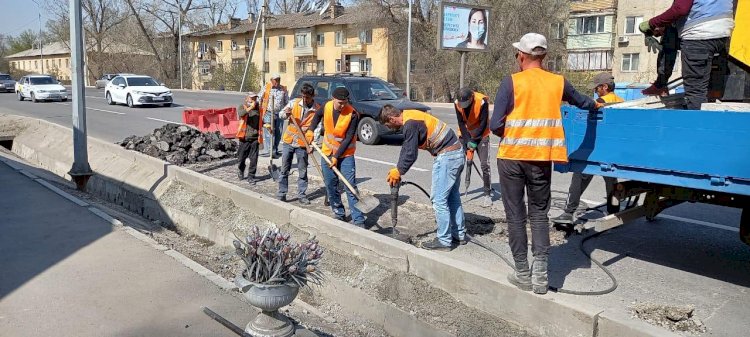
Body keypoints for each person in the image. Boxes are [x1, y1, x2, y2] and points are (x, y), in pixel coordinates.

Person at [490, 33, 601, 295]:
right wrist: (596, 104)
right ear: (544, 57)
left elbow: (495, 125)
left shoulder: (512, 82)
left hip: (512, 158)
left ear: (522, 56)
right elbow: (583, 102)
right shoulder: (557, 82)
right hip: (541, 160)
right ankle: (541, 276)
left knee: (515, 216)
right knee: (539, 215)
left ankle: (522, 274)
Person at [381, 105, 466, 251]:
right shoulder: (411, 115)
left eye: (388, 124)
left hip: (447, 157)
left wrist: (399, 171)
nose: (389, 128)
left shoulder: (410, 124)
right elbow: (407, 146)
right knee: (452, 197)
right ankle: (459, 234)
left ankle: (444, 241)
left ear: (391, 118)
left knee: (439, 200)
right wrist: (398, 168)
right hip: (456, 153)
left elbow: (410, 153)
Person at [552, 72, 623, 224]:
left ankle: (569, 211)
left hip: (595, 150)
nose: (596, 91)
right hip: (611, 151)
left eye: (597, 88)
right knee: (612, 181)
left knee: (579, 177)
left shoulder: (600, 102)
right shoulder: (621, 102)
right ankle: (614, 212)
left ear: (604, 87)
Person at [639, 0, 735, 109]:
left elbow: (680, 9)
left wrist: (652, 23)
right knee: (670, 34)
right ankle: (661, 83)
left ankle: (697, 124)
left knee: (696, 91)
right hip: (722, 33)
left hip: (699, 35)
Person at [307, 87, 365, 226]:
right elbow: (316, 117)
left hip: (345, 155)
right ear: (333, 99)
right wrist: (310, 130)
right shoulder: (326, 107)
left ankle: (358, 220)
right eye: (340, 102)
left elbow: (348, 137)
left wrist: (336, 156)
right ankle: (339, 213)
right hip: (327, 152)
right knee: (330, 185)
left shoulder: (352, 114)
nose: (343, 105)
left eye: (345, 102)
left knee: (350, 186)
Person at [276, 84, 320, 205]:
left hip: (303, 144)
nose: (304, 99)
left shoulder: (317, 109)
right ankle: (282, 193)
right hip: (289, 141)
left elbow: (317, 128)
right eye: (303, 96)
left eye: (307, 97)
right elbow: (281, 115)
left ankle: (302, 195)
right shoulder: (294, 103)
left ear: (312, 96)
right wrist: (286, 113)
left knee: (303, 171)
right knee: (284, 169)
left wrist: (312, 145)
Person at [455, 87, 493, 207]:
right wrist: (467, 141)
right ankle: (454, 192)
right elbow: (461, 123)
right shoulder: (457, 103)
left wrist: (474, 140)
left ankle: (487, 194)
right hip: (466, 133)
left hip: (482, 134)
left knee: (484, 164)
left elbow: (483, 124)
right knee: (457, 163)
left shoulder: (482, 102)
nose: (464, 106)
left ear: (471, 98)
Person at [259, 73, 288, 158]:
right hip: (268, 112)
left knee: (278, 132)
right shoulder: (266, 87)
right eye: (276, 80)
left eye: (279, 79)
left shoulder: (283, 89)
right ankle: (271, 151)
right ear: (271, 80)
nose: (277, 82)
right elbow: (259, 97)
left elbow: (287, 101)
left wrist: (287, 109)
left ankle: (274, 148)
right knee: (269, 132)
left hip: (279, 113)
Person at [236, 91, 262, 185]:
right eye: (252, 98)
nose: (254, 100)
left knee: (254, 159)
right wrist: (251, 107)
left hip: (255, 138)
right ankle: (241, 170)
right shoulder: (242, 107)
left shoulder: (259, 109)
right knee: (241, 158)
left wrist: (267, 125)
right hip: (244, 138)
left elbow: (262, 120)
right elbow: (242, 114)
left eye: (255, 98)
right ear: (247, 99)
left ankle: (251, 176)